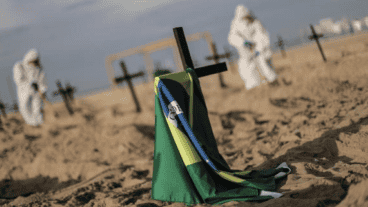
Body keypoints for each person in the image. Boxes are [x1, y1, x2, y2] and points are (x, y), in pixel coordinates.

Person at [228, 5, 279, 90]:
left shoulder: (255, 22)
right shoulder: (235, 24)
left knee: (264, 64)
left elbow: (261, 34)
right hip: (245, 51)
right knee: (246, 68)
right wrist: (243, 42)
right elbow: (232, 37)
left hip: (259, 49)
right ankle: (253, 86)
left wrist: (259, 47)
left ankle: (273, 81)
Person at [13, 48, 48, 126]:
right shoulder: (19, 66)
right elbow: (18, 79)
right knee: (25, 108)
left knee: (38, 108)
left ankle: (39, 124)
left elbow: (42, 80)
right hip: (24, 92)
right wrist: (30, 83)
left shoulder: (39, 68)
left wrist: (43, 90)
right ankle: (31, 124)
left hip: (36, 92)